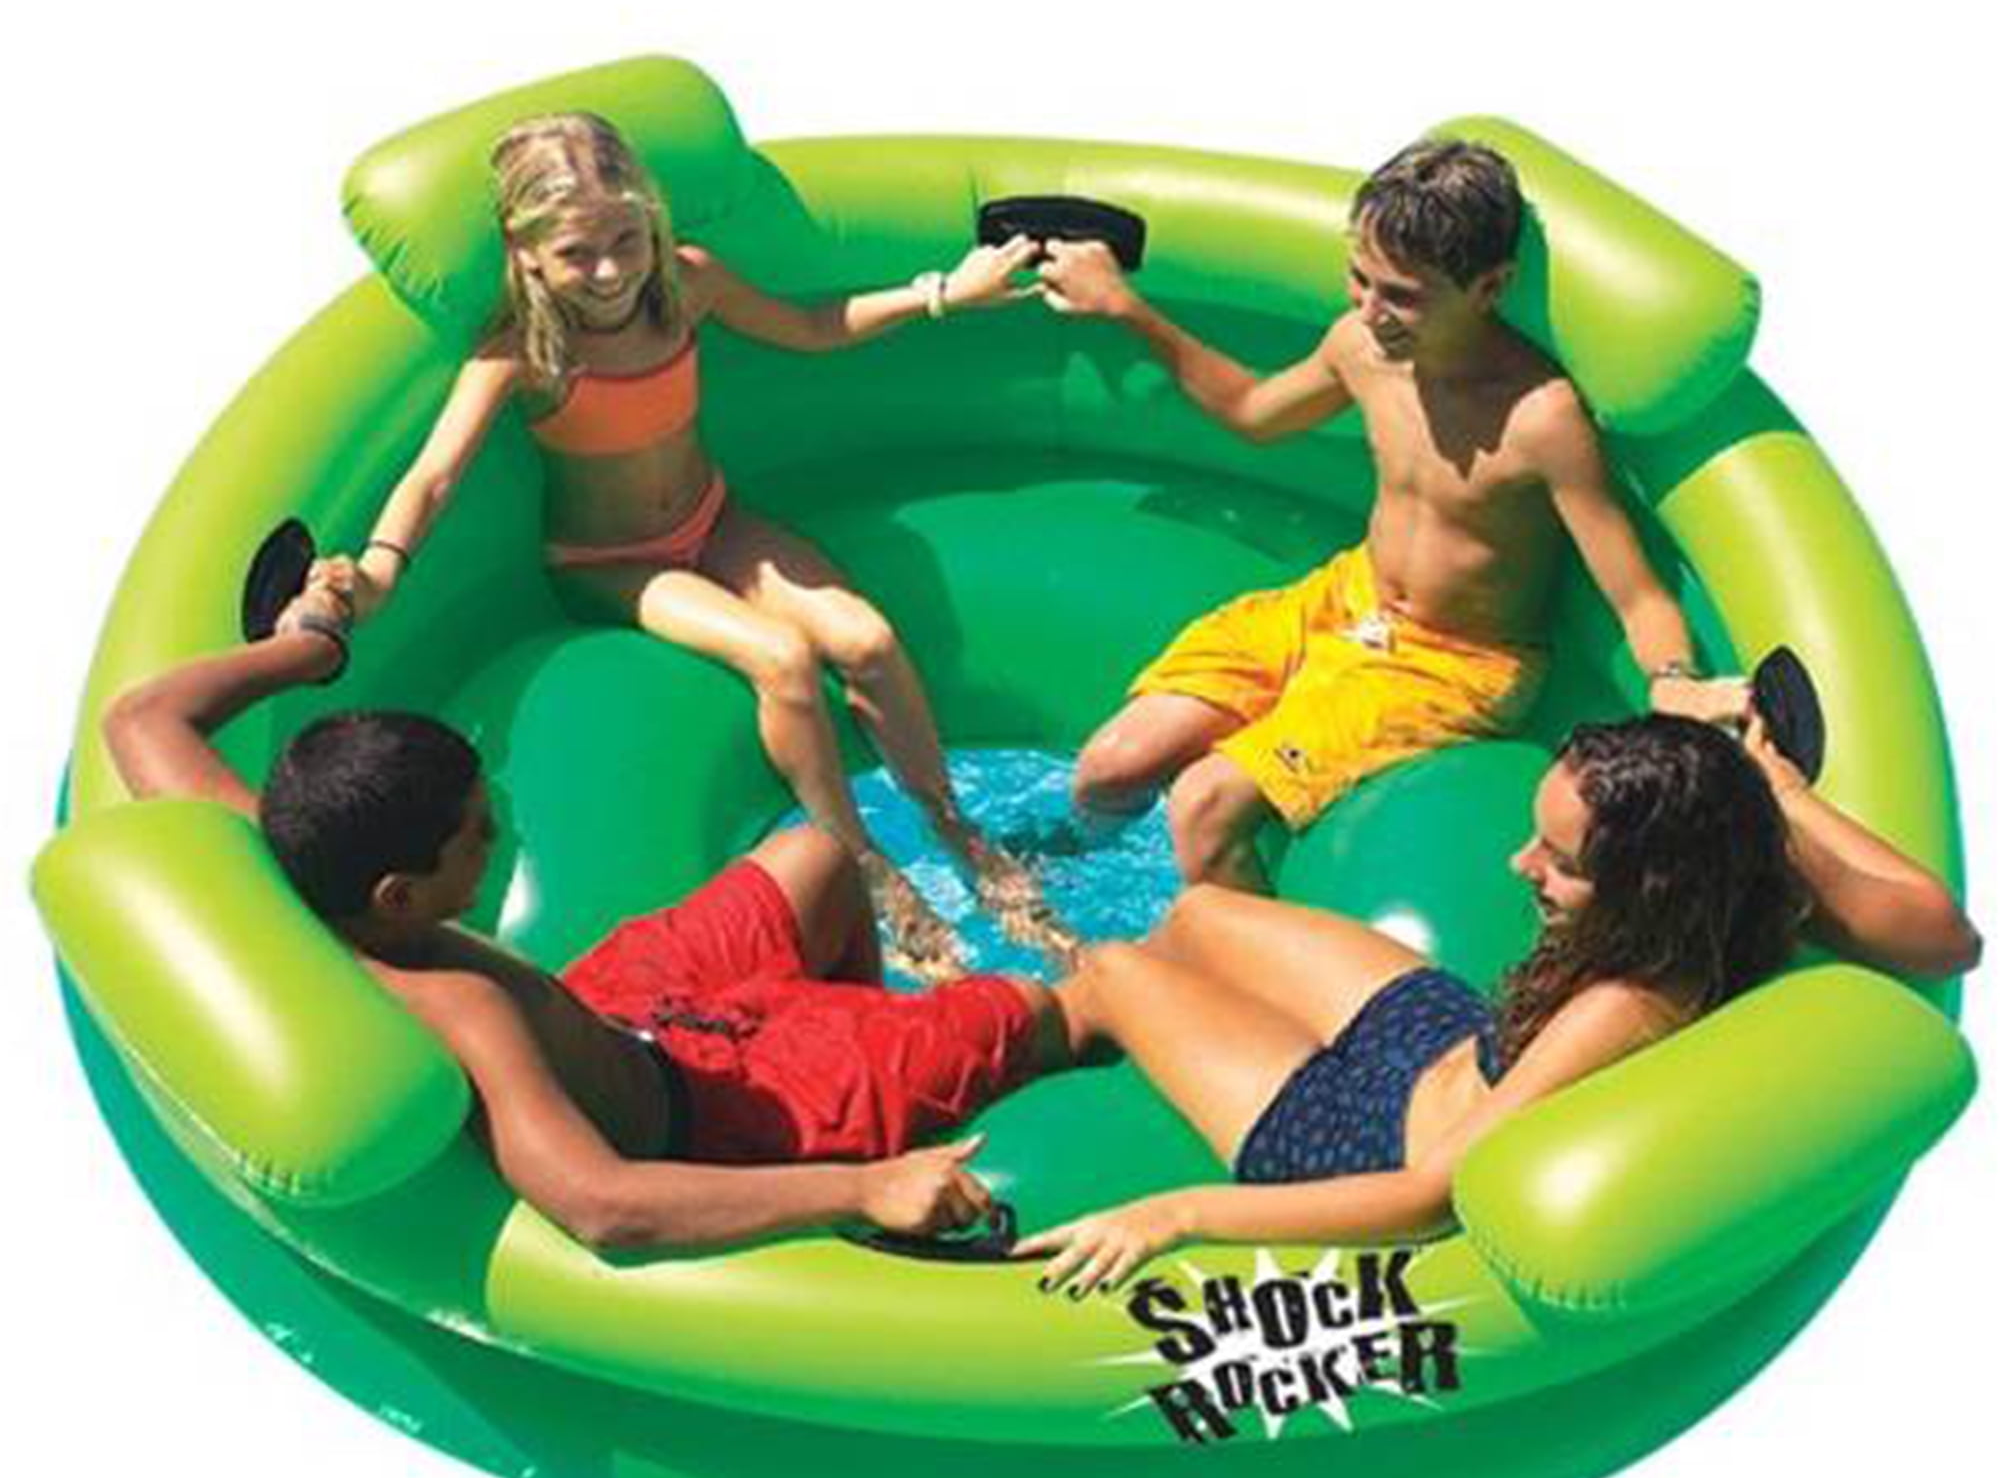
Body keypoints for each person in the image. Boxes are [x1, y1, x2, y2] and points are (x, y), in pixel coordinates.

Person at [101, 584, 1082, 1256]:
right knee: (1041, 1003)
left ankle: (857, 1020)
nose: (507, 831)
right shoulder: (461, 1006)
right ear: (399, 894)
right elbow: (602, 1204)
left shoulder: (288, 859)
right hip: (711, 1114)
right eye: (478, 833)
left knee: (820, 859)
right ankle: (857, 1097)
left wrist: (313, 646)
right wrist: (863, 1189)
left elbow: (140, 720)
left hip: (623, 1007)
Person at [322, 112, 1066, 980]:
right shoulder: (521, 352)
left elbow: (810, 326)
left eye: (626, 239)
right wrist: (378, 572)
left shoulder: (686, 284)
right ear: (525, 254)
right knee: (782, 660)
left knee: (866, 638)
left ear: (652, 222)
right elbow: (433, 477)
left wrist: (940, 295)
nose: (610, 271)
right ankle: (863, 865)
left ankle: (956, 828)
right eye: (576, 253)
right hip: (611, 564)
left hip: (714, 521)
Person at [1016, 713, 1980, 1293]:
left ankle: (1020, 1034)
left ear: (1651, 885)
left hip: (1355, 1139)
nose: (1522, 865)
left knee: (1114, 969)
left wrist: (1178, 1216)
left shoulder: (1626, 1006)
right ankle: (1140, 1012)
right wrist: (1774, 789)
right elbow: (1948, 937)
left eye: (1561, 864)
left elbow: (1429, 1197)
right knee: (1198, 913)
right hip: (1441, 1037)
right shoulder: (1743, 883)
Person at [1038, 138, 1753, 890]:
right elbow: (1253, 411)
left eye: (1403, 296)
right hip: (1346, 602)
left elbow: (1636, 592)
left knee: (1202, 807)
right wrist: (1126, 308)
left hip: (1453, 661)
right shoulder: (1361, 348)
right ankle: (1082, 894)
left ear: (1490, 286)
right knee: (1107, 769)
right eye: (1360, 278)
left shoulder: (1539, 418)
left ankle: (1226, 956)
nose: (1370, 311)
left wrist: (1674, 679)